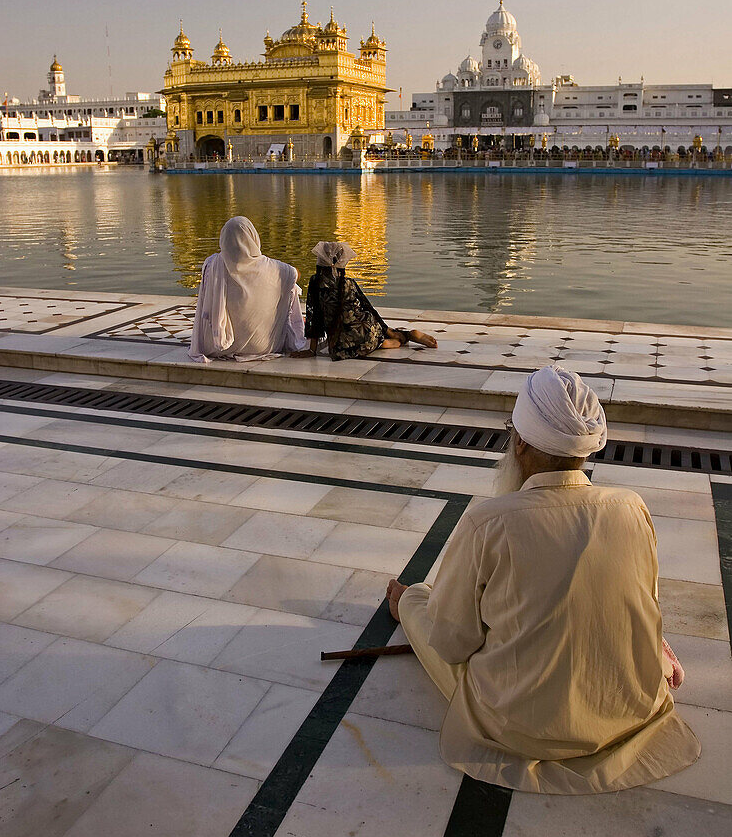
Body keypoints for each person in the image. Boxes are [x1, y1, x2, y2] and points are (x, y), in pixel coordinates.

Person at [386, 365, 700, 794]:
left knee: (423, 602)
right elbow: (644, 604)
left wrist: (415, 606)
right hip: (629, 709)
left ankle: (403, 601)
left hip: (521, 727)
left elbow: (452, 643)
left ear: (519, 443)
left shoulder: (487, 523)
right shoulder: (631, 507)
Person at [190, 216, 307, 362]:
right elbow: (295, 274)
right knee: (290, 286)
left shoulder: (212, 264)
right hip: (262, 346)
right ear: (253, 237)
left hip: (214, 346)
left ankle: (222, 334)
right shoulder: (273, 268)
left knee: (287, 284)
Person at [297, 241, 438, 361]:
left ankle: (400, 337)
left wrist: (312, 350)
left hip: (342, 341)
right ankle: (405, 335)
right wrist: (387, 329)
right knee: (379, 339)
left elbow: (313, 316)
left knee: (374, 344)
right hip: (366, 330)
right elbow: (368, 308)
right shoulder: (347, 283)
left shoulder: (315, 282)